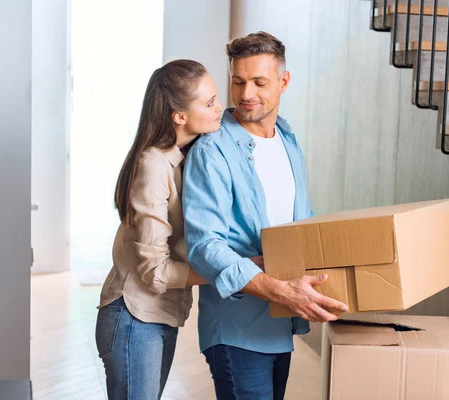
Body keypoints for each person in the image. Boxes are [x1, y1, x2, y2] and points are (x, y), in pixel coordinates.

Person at [182, 32, 349, 400]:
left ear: (283, 82)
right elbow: (206, 247)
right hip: (236, 328)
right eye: (238, 81)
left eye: (259, 82)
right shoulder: (212, 151)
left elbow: (301, 224)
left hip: (279, 324)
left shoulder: (288, 140)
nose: (245, 94)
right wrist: (281, 289)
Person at [95, 59, 228, 400]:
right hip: (133, 318)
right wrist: (229, 272)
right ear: (179, 115)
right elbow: (154, 272)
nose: (220, 108)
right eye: (209, 102)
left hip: (157, 316)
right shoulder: (154, 165)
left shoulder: (187, 156)